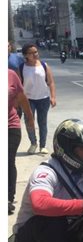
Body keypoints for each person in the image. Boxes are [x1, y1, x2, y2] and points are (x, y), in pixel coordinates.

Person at [19, 44, 55, 155]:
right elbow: (19, 85)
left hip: (43, 98)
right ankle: (33, 143)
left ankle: (42, 146)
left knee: (42, 122)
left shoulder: (44, 66)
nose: (35, 54)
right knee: (29, 122)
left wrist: (53, 97)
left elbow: (51, 82)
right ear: (26, 55)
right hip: (28, 100)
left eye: (36, 52)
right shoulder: (22, 68)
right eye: (31, 53)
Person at [8, 68, 35, 214]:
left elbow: (21, 97)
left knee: (7, 160)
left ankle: (8, 198)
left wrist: (29, 118)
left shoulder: (10, 75)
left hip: (10, 125)